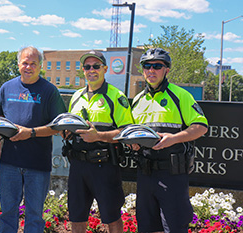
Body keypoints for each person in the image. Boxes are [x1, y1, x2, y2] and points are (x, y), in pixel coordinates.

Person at [0, 46, 66, 233]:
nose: (28, 67)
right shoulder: (7, 88)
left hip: (37, 165)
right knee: (7, 214)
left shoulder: (49, 91)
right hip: (9, 164)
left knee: (34, 216)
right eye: (25, 62)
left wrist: (31, 132)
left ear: (41, 66)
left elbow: (58, 126)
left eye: (33, 63)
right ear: (18, 64)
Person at [131, 48, 208, 233]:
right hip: (145, 173)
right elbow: (133, 132)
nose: (151, 70)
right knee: (146, 227)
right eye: (147, 66)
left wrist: (174, 138)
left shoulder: (180, 95)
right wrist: (132, 142)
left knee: (174, 227)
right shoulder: (138, 100)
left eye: (157, 66)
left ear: (167, 70)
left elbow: (201, 127)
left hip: (172, 175)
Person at [63, 50, 133, 233]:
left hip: (105, 166)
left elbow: (126, 131)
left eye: (96, 66)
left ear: (105, 68)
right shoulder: (76, 97)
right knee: (77, 216)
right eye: (87, 67)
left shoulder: (116, 96)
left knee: (111, 217)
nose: (91, 70)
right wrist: (66, 133)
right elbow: (72, 127)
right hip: (78, 165)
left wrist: (99, 136)